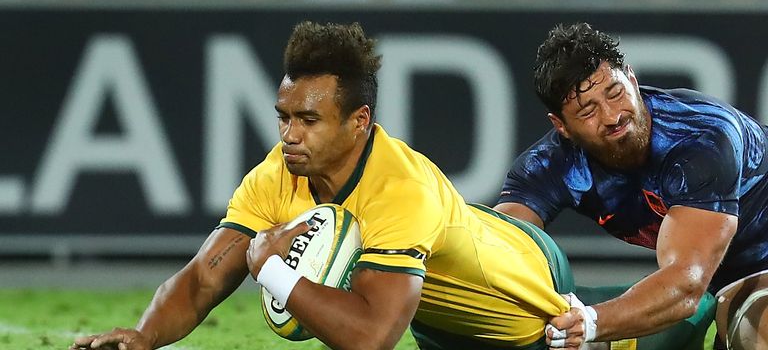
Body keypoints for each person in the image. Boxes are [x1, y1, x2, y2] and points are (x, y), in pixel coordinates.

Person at [69, 21, 577, 350]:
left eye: (309, 120)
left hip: (527, 301)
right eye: (283, 117)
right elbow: (206, 275)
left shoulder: (399, 187)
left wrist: (274, 271)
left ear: (359, 121)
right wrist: (143, 336)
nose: (290, 135)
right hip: (441, 327)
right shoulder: (277, 173)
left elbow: (372, 339)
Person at [496, 22, 768, 349]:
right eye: (588, 110)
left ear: (633, 80)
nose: (612, 116)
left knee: (756, 334)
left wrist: (590, 323)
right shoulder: (546, 166)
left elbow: (685, 286)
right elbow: (498, 251)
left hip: (749, 261)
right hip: (724, 273)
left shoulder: (701, 138)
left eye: (615, 92)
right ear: (561, 126)